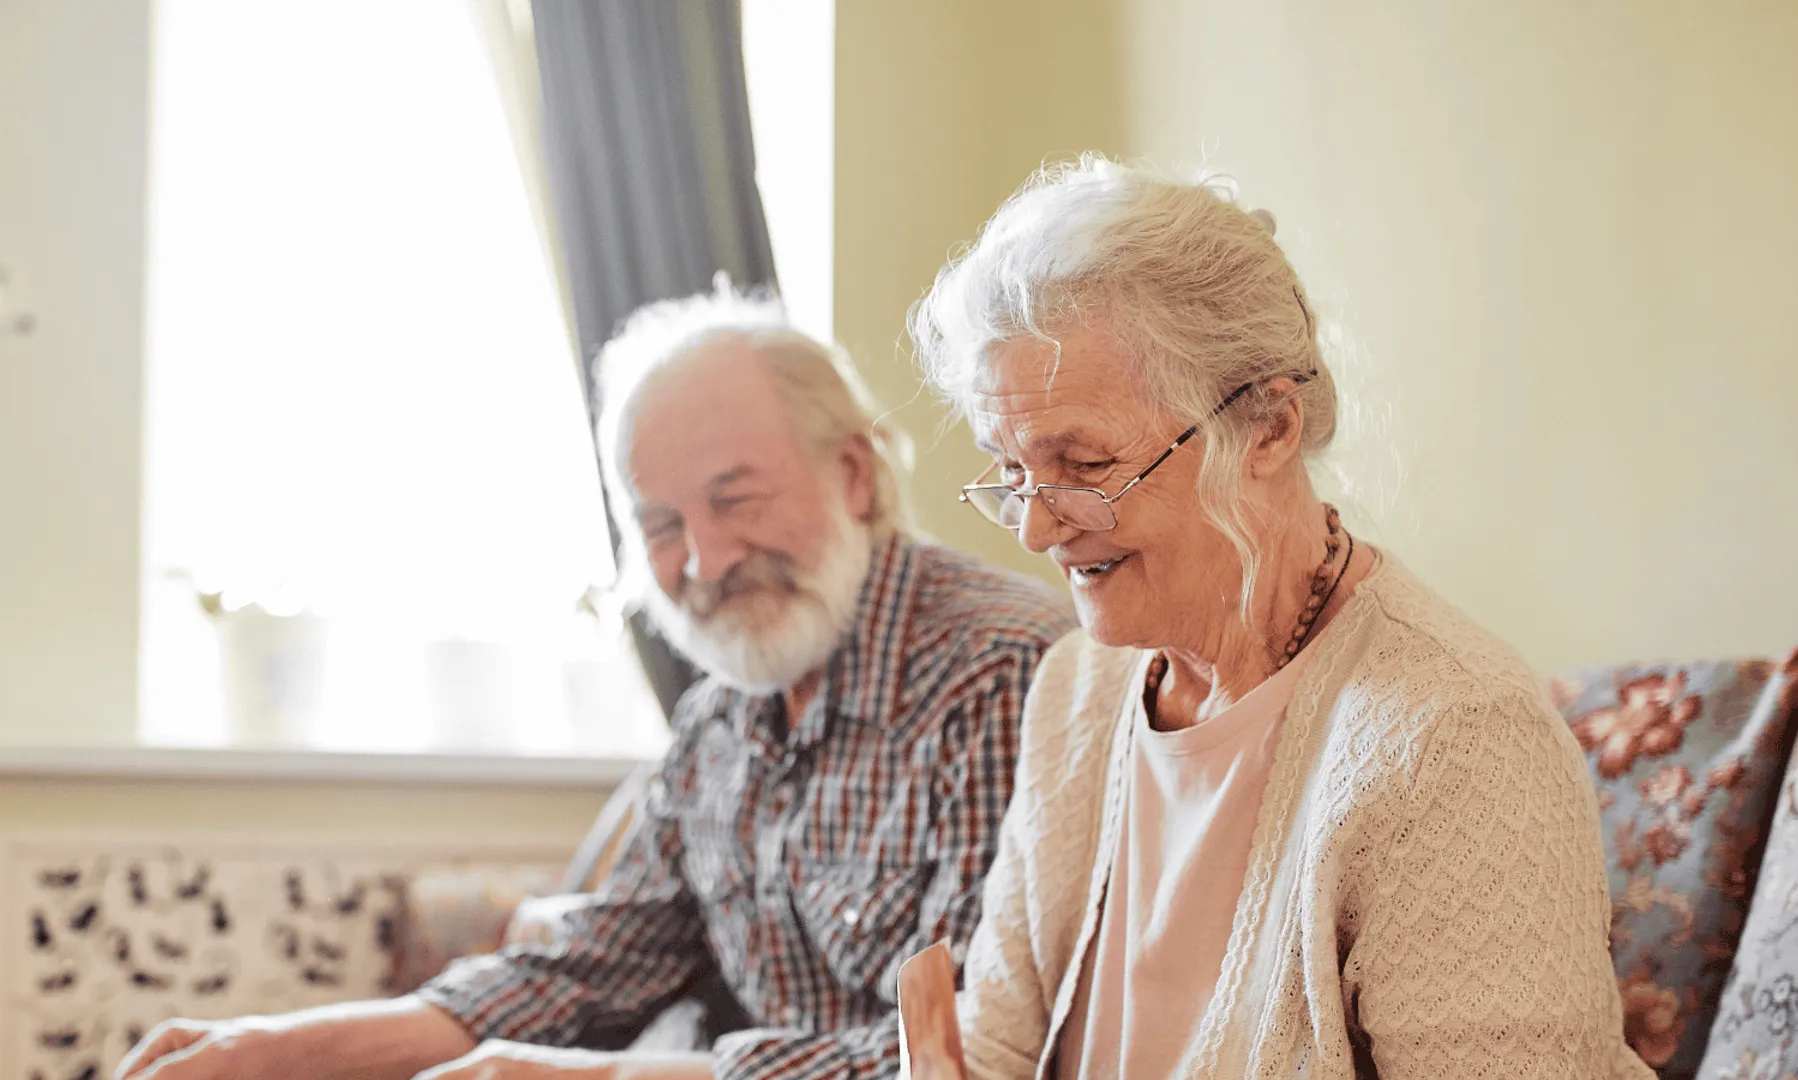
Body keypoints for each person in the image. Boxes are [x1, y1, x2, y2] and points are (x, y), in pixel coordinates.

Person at [116, 290, 1076, 1080]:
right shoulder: (718, 724)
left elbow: (963, 1056)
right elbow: (585, 972)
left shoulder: (996, 672)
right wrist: (275, 1048)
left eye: (735, 500)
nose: (702, 560)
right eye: (659, 525)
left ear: (855, 480)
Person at [907, 156, 1653, 1079]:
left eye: (1083, 464)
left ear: (1268, 427)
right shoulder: (1078, 690)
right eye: (1010, 468)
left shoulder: (1454, 737)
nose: (1032, 527)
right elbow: (996, 1044)